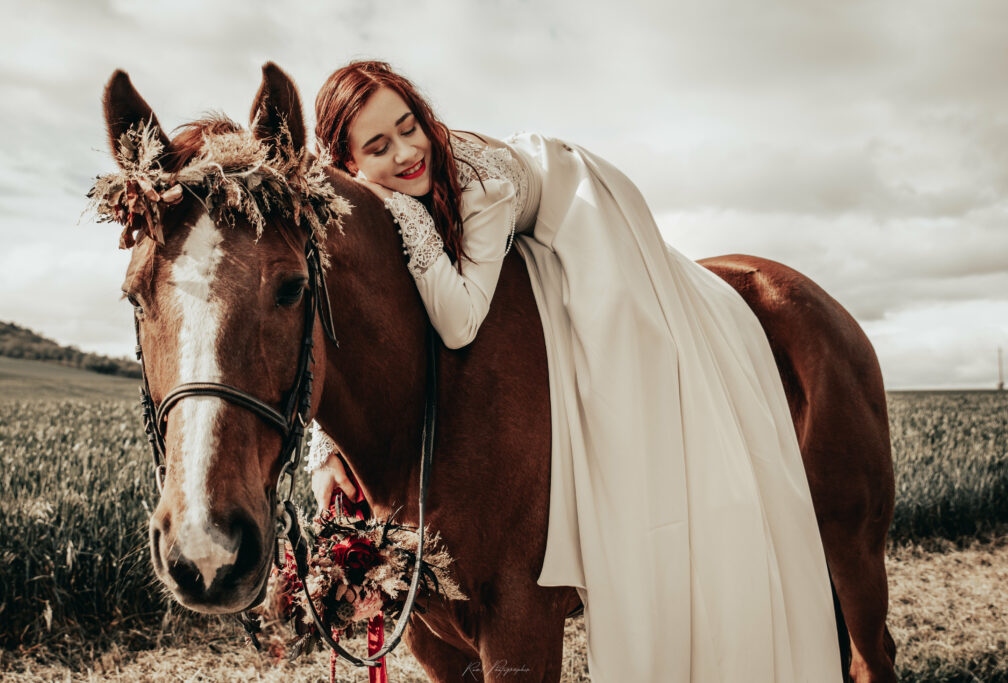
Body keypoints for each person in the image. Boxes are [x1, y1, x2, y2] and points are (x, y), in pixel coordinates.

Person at [307, 60, 842, 682]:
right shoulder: (365, 209)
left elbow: (458, 322)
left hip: (575, 207)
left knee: (615, 337)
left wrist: (394, 209)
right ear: (347, 166)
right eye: (378, 146)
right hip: (490, 219)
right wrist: (327, 450)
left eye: (409, 126)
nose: (406, 152)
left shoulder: (477, 183)